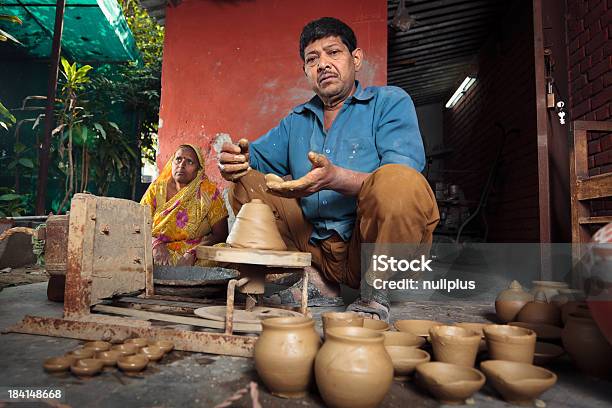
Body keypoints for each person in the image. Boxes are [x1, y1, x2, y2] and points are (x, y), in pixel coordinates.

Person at [218, 17, 439, 321]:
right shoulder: (297, 120)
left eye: (333, 52)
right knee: (247, 183)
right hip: (315, 249)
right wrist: (236, 159)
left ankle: (375, 295)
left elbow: (404, 177)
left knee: (400, 182)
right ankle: (317, 282)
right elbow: (253, 157)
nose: (322, 64)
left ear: (356, 59)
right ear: (306, 71)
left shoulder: (389, 103)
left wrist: (336, 178)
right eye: (312, 58)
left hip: (370, 246)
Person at [141, 144, 228, 266]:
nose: (181, 165)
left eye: (189, 162)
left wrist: (194, 252)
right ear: (172, 162)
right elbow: (138, 226)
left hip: (193, 256)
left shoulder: (208, 192)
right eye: (178, 159)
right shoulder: (156, 190)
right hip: (157, 253)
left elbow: (221, 235)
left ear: (199, 170)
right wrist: (155, 245)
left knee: (224, 251)